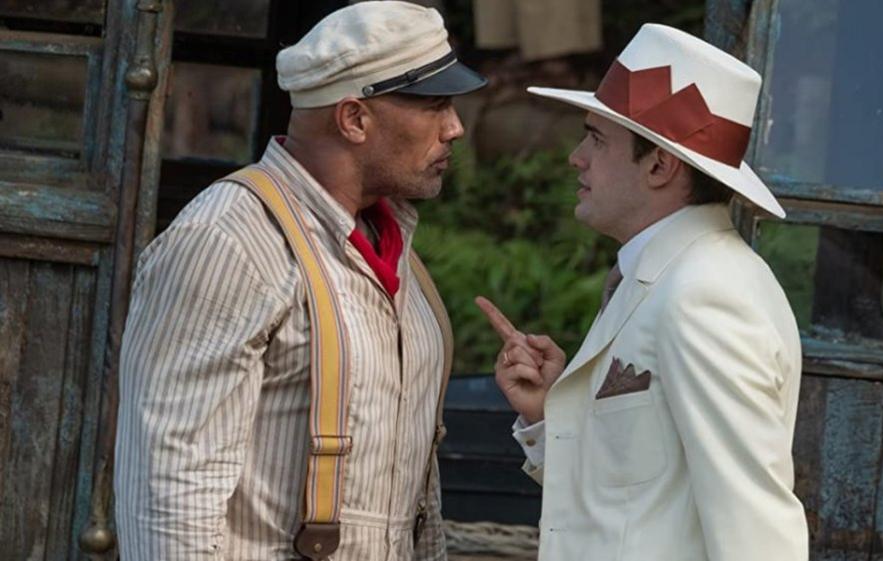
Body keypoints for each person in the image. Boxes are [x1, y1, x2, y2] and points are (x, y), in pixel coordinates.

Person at [114, 2, 486, 560]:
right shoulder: (228, 240)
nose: (454, 128)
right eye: (434, 105)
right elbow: (169, 491)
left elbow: (413, 496)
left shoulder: (391, 241)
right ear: (354, 119)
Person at [476, 24, 809, 561]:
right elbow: (632, 503)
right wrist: (549, 417)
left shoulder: (704, 294)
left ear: (660, 165)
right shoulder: (674, 276)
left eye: (597, 138)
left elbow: (755, 528)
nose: (575, 157)